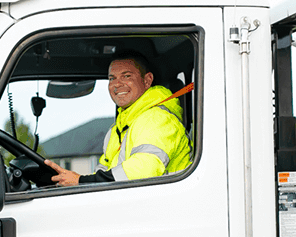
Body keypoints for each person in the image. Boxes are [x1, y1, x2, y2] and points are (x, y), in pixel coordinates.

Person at [45, 53, 191, 186]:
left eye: (126, 76)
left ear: (147, 80)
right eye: (112, 78)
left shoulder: (157, 119)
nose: (117, 84)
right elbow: (103, 171)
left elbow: (143, 170)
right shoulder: (118, 128)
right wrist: (70, 179)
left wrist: (80, 181)